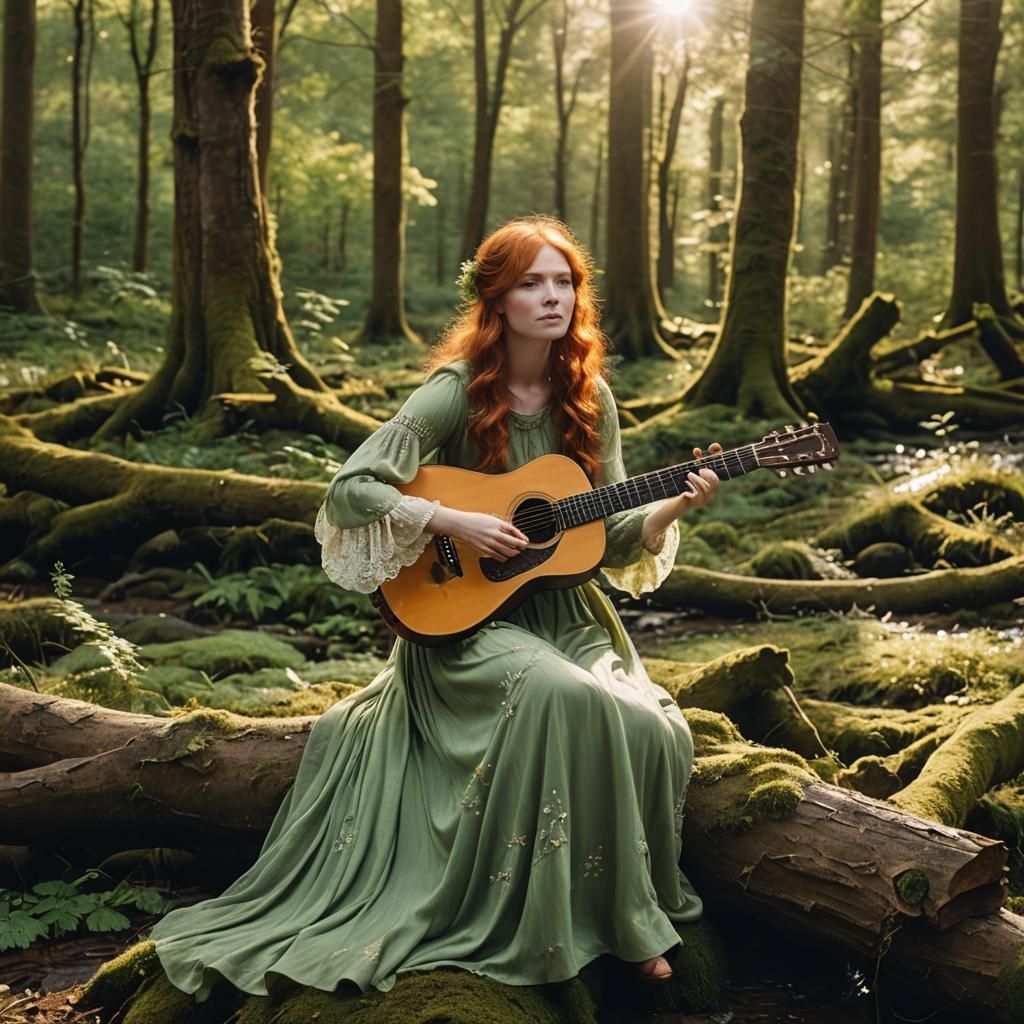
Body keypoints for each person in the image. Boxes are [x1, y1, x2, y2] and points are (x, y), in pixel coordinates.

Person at [151, 215, 721, 999]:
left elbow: (609, 534)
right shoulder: (455, 393)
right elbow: (353, 489)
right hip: (462, 629)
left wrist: (668, 513)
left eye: (564, 282)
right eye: (531, 282)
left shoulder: (589, 398)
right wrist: (453, 520)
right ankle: (589, 930)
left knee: (653, 725)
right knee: (560, 696)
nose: (551, 297)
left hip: (565, 619)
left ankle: (622, 910)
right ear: (497, 298)